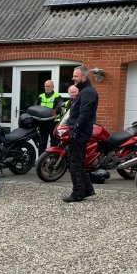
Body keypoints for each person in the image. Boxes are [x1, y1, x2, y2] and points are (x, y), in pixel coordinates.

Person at [62, 66, 99, 203]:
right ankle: (87, 189)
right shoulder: (84, 91)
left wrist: (76, 132)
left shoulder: (88, 92)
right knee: (76, 162)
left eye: (76, 76)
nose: (73, 78)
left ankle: (77, 193)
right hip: (78, 131)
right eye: (73, 75)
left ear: (84, 76)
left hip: (80, 133)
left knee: (74, 163)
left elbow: (84, 114)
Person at [37, 79, 63, 152]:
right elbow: (35, 106)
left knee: (54, 142)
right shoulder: (41, 96)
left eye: (49, 86)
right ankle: (41, 158)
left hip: (53, 123)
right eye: (46, 86)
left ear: (53, 87)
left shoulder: (57, 96)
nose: (47, 88)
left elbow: (60, 106)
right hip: (42, 123)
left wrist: (55, 111)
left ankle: (52, 158)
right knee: (42, 143)